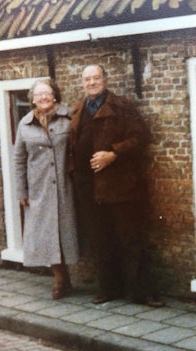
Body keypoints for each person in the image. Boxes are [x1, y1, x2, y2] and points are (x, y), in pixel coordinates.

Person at [70, 64, 163, 306]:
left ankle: (143, 292)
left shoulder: (122, 107)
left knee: (131, 239)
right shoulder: (78, 111)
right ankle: (109, 289)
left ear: (105, 79)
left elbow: (141, 137)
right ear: (82, 83)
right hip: (89, 188)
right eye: (87, 79)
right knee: (101, 240)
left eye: (96, 78)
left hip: (120, 186)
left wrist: (113, 154)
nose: (92, 82)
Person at [14, 78, 79, 300]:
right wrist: (21, 191)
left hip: (66, 186)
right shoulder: (24, 124)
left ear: (55, 96)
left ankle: (77, 278)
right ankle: (60, 280)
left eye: (47, 93)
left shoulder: (69, 117)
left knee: (69, 230)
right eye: (38, 94)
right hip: (39, 188)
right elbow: (19, 159)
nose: (43, 98)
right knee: (47, 233)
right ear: (32, 98)